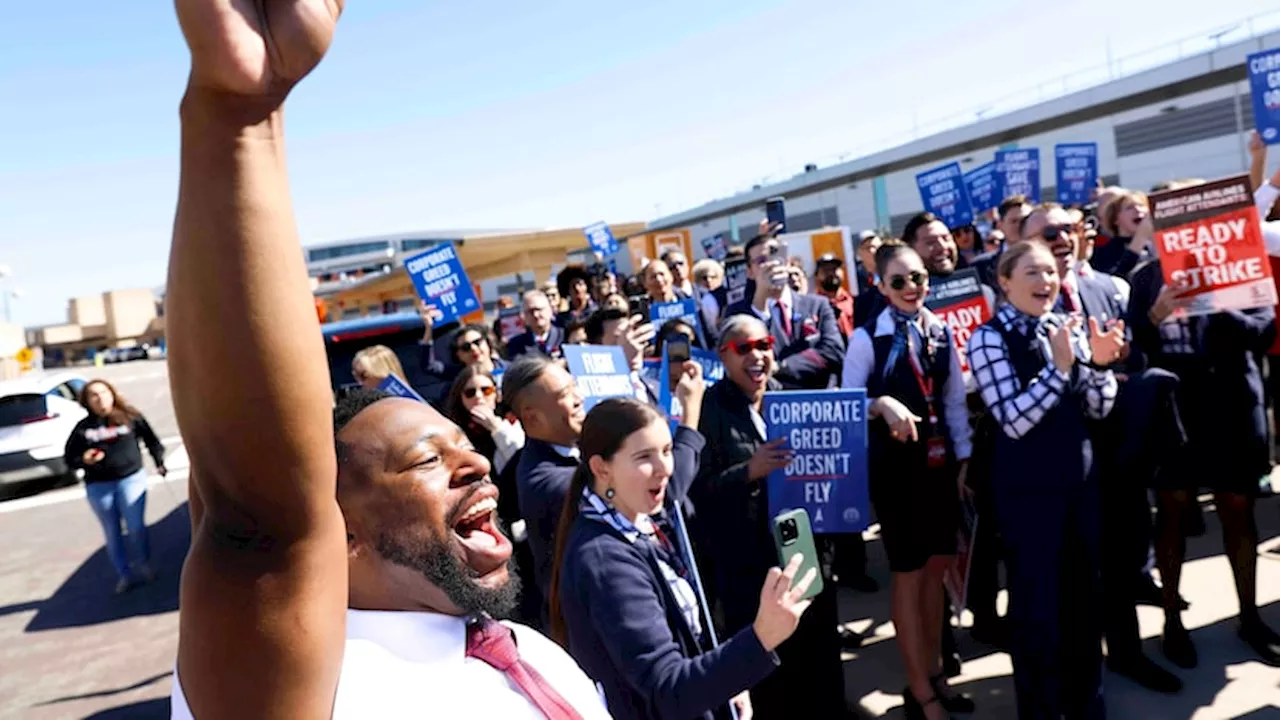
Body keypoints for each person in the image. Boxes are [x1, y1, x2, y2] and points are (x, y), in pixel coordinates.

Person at [166, 6, 608, 717]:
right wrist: (240, 115)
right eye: (426, 461)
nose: (473, 465)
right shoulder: (317, 688)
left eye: (464, 447)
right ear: (341, 534)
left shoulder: (530, 655)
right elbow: (258, 521)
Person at [551, 398, 817, 720]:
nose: (665, 468)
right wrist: (762, 637)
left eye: (666, 450)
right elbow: (669, 690)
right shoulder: (606, 561)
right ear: (601, 468)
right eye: (644, 457)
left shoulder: (640, 518)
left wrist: (728, 680)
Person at [1021, 205, 1182, 694]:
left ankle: (1127, 653)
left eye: (1069, 229)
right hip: (1063, 457)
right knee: (1074, 570)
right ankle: (1076, 670)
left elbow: (1140, 351)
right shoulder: (1022, 306)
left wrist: (1131, 346)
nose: (1063, 238)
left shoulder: (1108, 287)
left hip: (1119, 449)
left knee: (1124, 552)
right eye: (1049, 232)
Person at [967, 240, 1123, 719]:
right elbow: (1012, 419)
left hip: (1079, 487)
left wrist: (1096, 364)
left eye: (1051, 273)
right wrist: (1059, 370)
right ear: (1005, 281)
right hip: (1028, 497)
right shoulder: (988, 338)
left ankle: (1086, 703)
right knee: (1037, 610)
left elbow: (1100, 407)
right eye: (1032, 273)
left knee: (1083, 606)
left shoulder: (1063, 326)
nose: (1045, 282)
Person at [841, 245, 975, 719]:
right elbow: (845, 406)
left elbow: (955, 399)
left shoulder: (938, 331)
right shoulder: (865, 339)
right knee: (910, 573)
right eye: (898, 281)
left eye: (918, 278)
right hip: (896, 471)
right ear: (880, 286)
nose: (912, 288)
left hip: (939, 465)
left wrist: (963, 458)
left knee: (937, 570)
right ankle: (919, 691)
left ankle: (936, 673)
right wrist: (880, 404)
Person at [1130, 247, 1280, 668]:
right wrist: (1157, 315)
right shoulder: (1146, 278)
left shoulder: (1239, 268)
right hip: (1174, 413)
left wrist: (1213, 299)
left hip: (1231, 409)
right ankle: (1172, 620)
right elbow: (1130, 345)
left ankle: (1249, 617)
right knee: (1173, 512)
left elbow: (1263, 333)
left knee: (1238, 509)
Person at [692, 314, 847, 719]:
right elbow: (696, 493)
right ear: (723, 357)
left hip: (804, 555)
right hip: (749, 568)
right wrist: (749, 470)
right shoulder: (710, 407)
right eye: (744, 348)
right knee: (772, 677)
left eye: (764, 344)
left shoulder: (792, 395)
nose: (757, 355)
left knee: (820, 666)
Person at [505, 354, 704, 623]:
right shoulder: (546, 481)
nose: (579, 399)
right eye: (565, 394)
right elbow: (664, 493)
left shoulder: (579, 449)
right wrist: (690, 417)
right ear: (533, 418)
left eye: (575, 386)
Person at [444, 366, 540, 626]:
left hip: (522, 529)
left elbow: (522, 464)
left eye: (486, 390)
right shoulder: (456, 436)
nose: (479, 397)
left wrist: (496, 428)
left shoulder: (512, 425)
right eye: (470, 392)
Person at [63, 380, 166, 594]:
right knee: (112, 531)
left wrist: (159, 462)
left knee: (136, 526)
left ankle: (143, 563)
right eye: (94, 395)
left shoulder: (130, 417)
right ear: (86, 401)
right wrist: (85, 458)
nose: (100, 399)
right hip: (99, 486)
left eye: (103, 393)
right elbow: (70, 458)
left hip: (131, 479)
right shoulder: (83, 428)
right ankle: (124, 574)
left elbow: (152, 440)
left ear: (112, 394)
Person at [723, 234, 845, 390]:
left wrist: (780, 367)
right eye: (761, 261)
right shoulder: (737, 312)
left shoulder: (817, 305)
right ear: (750, 272)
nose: (771, 265)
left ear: (787, 262)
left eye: (776, 257)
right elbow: (736, 361)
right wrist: (761, 303)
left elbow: (833, 352)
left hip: (816, 398)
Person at [584, 307, 660, 405]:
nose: (632, 346)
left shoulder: (657, 385)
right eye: (620, 340)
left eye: (634, 337)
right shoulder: (590, 396)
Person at [970, 195, 1032, 291]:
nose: (1020, 226)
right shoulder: (980, 267)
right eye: (1014, 221)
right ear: (1000, 225)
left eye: (1024, 220)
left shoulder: (1050, 258)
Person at [1092, 190, 1151, 277]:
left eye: (1141, 205)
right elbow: (1115, 278)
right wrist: (1140, 238)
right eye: (1129, 208)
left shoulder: (1152, 246)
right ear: (1115, 219)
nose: (1138, 210)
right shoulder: (1104, 252)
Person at [505, 290, 565, 360]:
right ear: (524, 316)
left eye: (539, 309)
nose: (536, 315)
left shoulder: (565, 336)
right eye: (531, 311)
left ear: (550, 310)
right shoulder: (516, 345)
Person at [814, 253, 856, 340]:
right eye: (826, 270)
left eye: (834, 269)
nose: (831, 273)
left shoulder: (855, 302)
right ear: (817, 276)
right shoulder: (814, 306)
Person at [692, 258, 727, 333]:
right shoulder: (701, 298)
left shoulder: (727, 292)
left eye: (713, 277)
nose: (709, 280)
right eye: (704, 278)